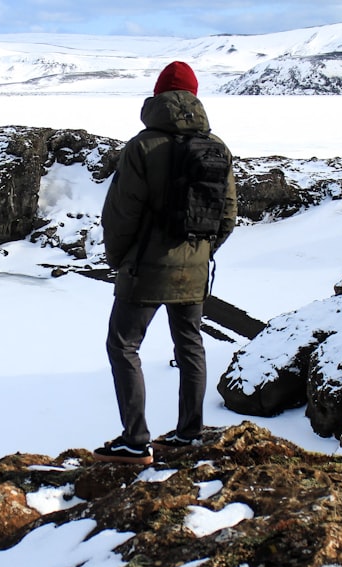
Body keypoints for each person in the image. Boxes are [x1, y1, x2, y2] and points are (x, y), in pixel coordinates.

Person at [94, 61, 237, 465]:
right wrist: (201, 252)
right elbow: (227, 215)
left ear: (157, 97)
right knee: (190, 345)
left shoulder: (143, 146)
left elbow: (121, 213)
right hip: (195, 269)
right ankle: (190, 433)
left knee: (123, 345)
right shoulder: (218, 147)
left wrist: (120, 259)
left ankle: (136, 441)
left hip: (145, 266)